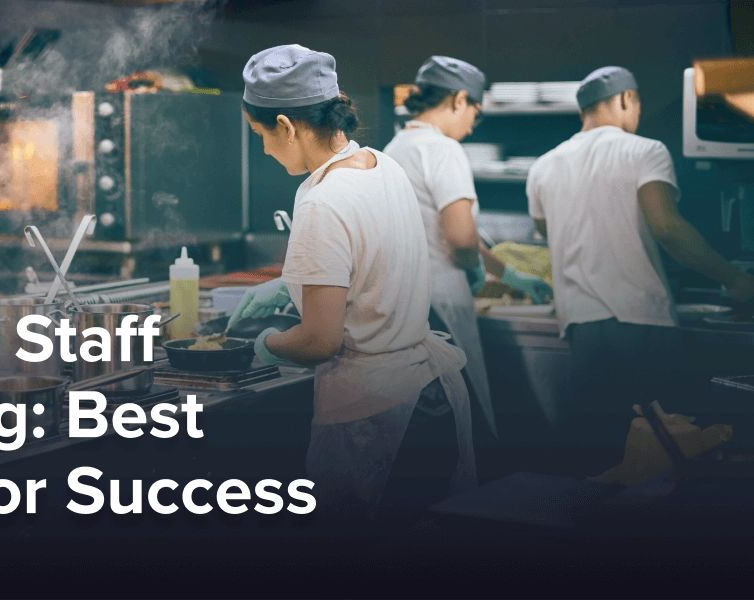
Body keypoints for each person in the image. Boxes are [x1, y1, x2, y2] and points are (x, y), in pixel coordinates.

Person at [229, 45, 477, 522]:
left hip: (377, 419)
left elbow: (320, 341)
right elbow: (370, 267)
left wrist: (265, 345)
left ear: (285, 125)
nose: (262, 148)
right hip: (429, 397)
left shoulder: (323, 199)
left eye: (260, 133)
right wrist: (292, 283)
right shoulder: (383, 165)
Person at [527, 66, 754, 448]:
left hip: (582, 330)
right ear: (625, 99)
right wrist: (734, 278)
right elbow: (667, 227)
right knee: (664, 453)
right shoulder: (645, 150)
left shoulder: (542, 166)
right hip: (643, 327)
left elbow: (550, 235)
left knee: (597, 454)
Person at [383, 56, 553, 442]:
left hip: (405, 302)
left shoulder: (394, 147)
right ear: (460, 99)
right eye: (475, 110)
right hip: (441, 303)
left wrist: (505, 272)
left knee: (429, 421)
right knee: (464, 415)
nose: (474, 123)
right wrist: (473, 268)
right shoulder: (442, 150)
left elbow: (446, 230)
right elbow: (460, 239)